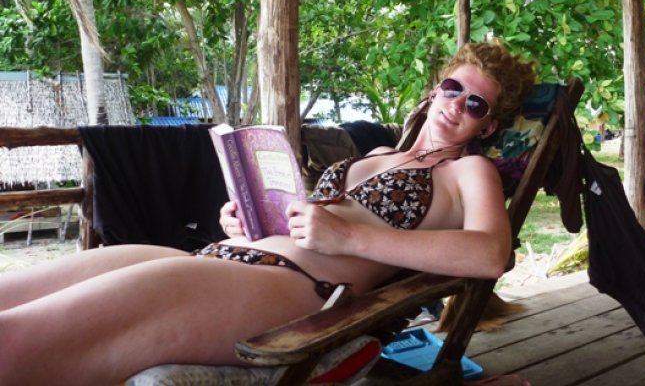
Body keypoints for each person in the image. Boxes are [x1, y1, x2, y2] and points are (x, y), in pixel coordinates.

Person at [0, 40, 537, 385]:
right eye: (452, 88)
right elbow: (312, 223)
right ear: (436, 89)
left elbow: (491, 254)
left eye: (475, 104)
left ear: (488, 126)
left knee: (14, 341)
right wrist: (249, 221)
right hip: (225, 256)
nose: (456, 104)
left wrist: (349, 239)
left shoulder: (469, 172)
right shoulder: (377, 152)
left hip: (295, 286)